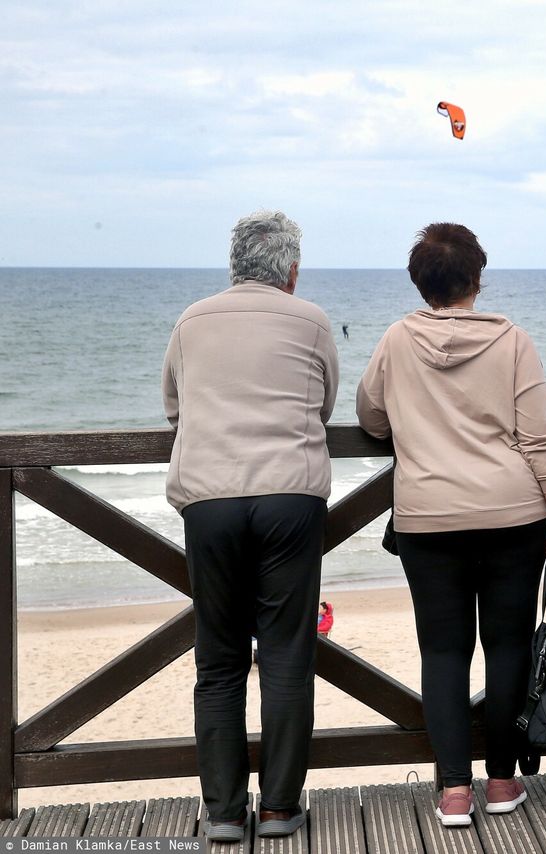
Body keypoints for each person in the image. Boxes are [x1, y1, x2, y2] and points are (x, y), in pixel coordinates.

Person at [356, 223, 546, 828]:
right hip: (511, 514)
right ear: (477, 276)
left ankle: (454, 791)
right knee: (508, 646)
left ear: (420, 282)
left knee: (443, 652)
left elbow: (370, 416)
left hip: (427, 518)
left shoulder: (397, 339)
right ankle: (502, 782)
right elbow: (539, 436)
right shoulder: (513, 342)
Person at [163, 211, 338, 843]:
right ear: (291, 271)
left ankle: (225, 812)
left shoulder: (190, 320)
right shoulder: (312, 320)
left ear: (233, 265)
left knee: (219, 659)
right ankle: (280, 808)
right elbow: (323, 404)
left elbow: (174, 406)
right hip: (289, 495)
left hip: (210, 498)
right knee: (288, 654)